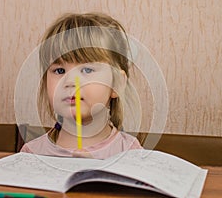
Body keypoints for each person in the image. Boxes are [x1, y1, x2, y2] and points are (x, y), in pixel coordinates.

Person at [20, 12, 142, 159]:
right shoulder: (30, 153)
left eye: (87, 70)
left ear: (117, 84)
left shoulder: (130, 152)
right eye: (60, 70)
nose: (71, 81)